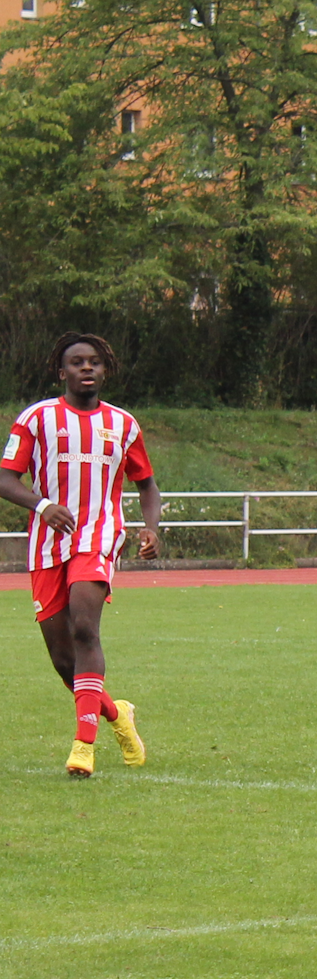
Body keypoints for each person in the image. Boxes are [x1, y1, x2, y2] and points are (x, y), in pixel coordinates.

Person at [0, 333, 158, 777]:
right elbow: (5, 478)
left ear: (105, 370)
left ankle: (83, 748)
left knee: (85, 626)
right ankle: (116, 715)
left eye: (94, 362)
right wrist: (43, 505)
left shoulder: (125, 425)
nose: (86, 368)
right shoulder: (37, 419)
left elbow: (146, 484)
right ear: (61, 372)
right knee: (64, 659)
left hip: (99, 535)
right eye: (77, 362)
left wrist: (151, 528)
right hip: (48, 543)